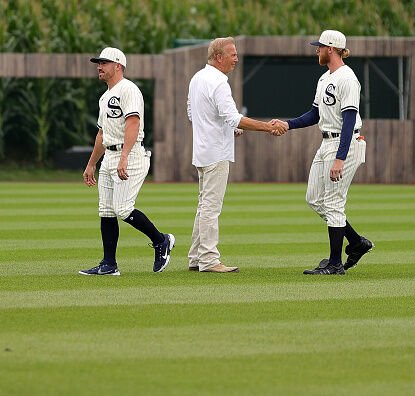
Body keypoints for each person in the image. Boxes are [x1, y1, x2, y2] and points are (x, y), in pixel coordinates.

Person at [272, 30, 373, 275]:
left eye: (320, 46)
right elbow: (315, 114)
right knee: (314, 199)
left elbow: (349, 118)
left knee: (334, 202)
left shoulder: (347, 78)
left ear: (331, 49)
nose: (316, 49)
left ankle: (335, 263)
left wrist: (340, 157)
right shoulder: (324, 78)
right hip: (327, 142)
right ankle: (357, 242)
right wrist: (288, 124)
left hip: (345, 143)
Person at [187, 37, 287, 273]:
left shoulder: (197, 78)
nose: (236, 59)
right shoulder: (219, 82)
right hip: (216, 153)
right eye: (232, 54)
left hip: (202, 151)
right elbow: (232, 117)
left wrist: (229, 129)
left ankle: (195, 258)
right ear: (219, 57)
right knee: (211, 207)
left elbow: (194, 113)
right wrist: (267, 126)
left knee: (204, 206)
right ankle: (209, 260)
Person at [80, 47, 174, 276]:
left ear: (118, 66)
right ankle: (109, 264)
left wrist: (124, 157)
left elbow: (133, 124)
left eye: (104, 63)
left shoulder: (128, 89)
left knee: (122, 209)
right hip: (110, 156)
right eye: (98, 63)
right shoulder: (105, 96)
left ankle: (161, 240)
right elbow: (102, 134)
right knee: (106, 210)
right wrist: (92, 163)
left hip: (130, 155)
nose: (99, 67)